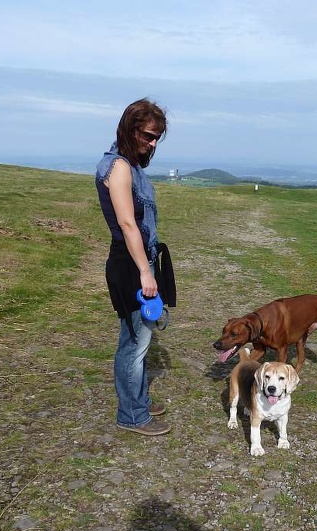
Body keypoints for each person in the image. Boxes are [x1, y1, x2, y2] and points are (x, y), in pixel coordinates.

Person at [96, 98, 177, 436]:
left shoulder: (130, 165)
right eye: (148, 135)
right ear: (130, 129)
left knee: (138, 338)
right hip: (131, 264)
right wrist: (146, 272)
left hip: (138, 260)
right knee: (134, 344)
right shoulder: (118, 168)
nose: (153, 143)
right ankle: (131, 415)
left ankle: (138, 400)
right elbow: (128, 224)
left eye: (157, 137)